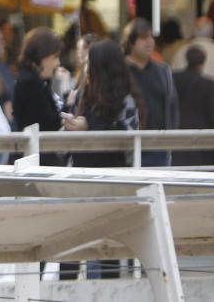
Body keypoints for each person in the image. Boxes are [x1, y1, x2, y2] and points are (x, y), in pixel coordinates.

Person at [61, 40, 143, 279]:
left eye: (90, 64)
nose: (85, 69)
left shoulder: (125, 99)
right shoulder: (85, 94)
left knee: (108, 246)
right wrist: (71, 127)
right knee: (76, 243)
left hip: (111, 182)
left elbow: (125, 137)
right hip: (82, 179)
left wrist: (87, 125)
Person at [123, 18, 179, 166]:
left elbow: (172, 107)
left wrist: (171, 140)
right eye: (143, 38)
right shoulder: (119, 71)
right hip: (127, 148)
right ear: (130, 42)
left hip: (159, 149)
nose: (149, 42)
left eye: (151, 37)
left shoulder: (163, 71)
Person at [11, 27, 66, 166]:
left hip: (36, 156)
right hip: (34, 159)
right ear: (42, 56)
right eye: (55, 57)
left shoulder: (35, 81)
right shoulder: (30, 83)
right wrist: (68, 103)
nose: (57, 63)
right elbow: (49, 122)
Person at [172, 46, 214, 167]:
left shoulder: (172, 78)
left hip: (174, 136)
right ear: (202, 62)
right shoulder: (208, 84)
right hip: (201, 142)